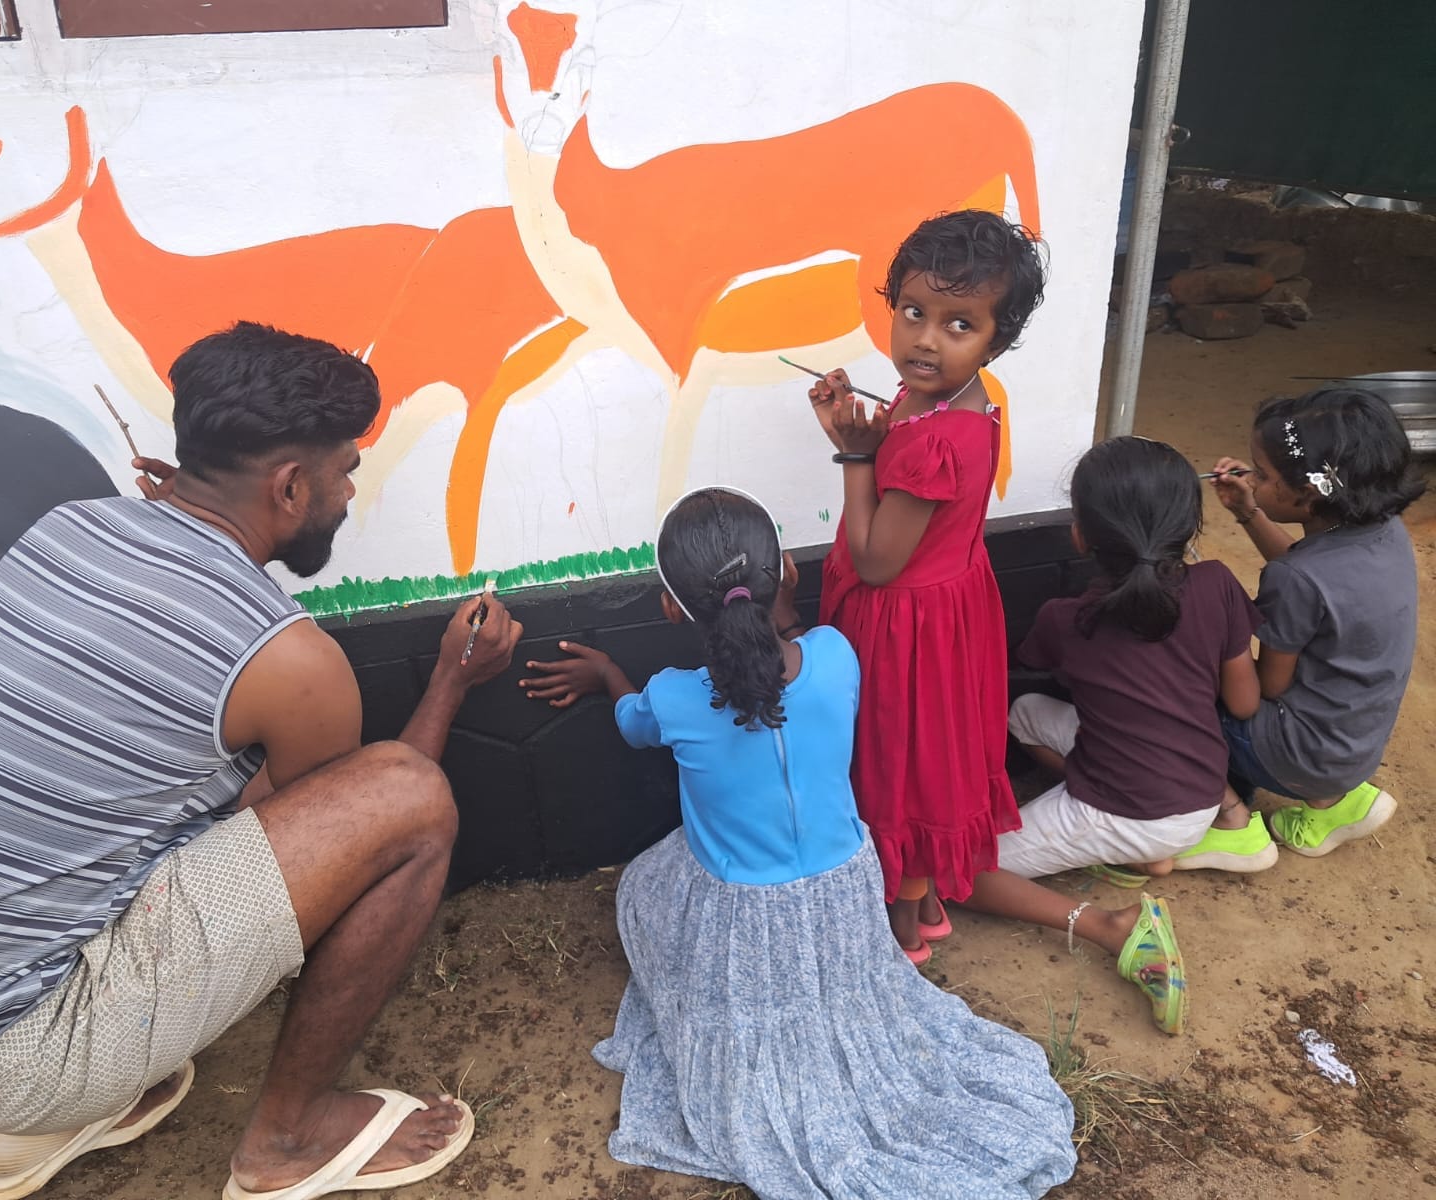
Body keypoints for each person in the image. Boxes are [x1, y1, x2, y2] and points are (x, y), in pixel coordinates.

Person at [0, 322, 524, 1200]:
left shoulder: (65, 530)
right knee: (413, 794)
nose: (351, 492)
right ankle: (286, 1139)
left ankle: (97, 1095)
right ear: (290, 486)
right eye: (345, 471)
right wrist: (451, 682)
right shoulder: (286, 659)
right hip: (17, 1054)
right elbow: (364, 828)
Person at [521, 487, 1077, 1200]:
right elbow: (785, 670)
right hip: (847, 890)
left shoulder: (672, 697)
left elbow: (633, 724)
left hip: (745, 917)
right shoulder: (837, 656)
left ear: (670, 608)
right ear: (786, 570)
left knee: (645, 884)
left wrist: (606, 674)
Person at [808, 209, 1046, 961]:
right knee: (930, 763)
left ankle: (903, 932)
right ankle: (931, 899)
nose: (926, 340)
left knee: (902, 770)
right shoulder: (953, 399)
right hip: (949, 614)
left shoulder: (938, 438)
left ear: (996, 341)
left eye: (959, 325)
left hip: (906, 632)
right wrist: (861, 433)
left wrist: (854, 457)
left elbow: (878, 561)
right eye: (914, 312)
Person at [1173, 387, 1422, 868]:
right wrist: (1249, 511)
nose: (1252, 480)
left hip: (1301, 755)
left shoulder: (1294, 580)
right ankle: (1336, 799)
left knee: (1171, 694)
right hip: (1354, 743)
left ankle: (1232, 825)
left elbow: (1263, 690)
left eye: (1262, 475)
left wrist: (1209, 634)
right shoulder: (1384, 530)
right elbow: (1312, 576)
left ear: (1308, 493)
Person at [1003, 437, 1265, 884]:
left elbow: (1034, 662)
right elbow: (1244, 704)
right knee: (1025, 713)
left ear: (1079, 536)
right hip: (1203, 793)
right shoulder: (1217, 582)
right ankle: (1139, 848)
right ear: (1189, 525)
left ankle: (1124, 842)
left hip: (1135, 810)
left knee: (972, 866)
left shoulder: (1064, 618)